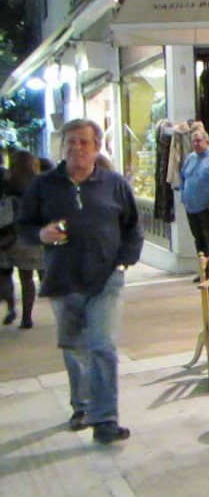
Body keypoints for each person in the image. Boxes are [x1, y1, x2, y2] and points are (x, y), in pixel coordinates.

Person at [17, 119, 143, 444]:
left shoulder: (114, 184)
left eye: (84, 142)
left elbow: (133, 227)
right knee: (75, 348)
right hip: (63, 279)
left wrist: (123, 262)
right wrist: (40, 234)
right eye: (71, 142)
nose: (77, 148)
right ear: (62, 147)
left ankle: (105, 420)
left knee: (102, 345)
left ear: (96, 147)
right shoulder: (44, 185)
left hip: (106, 280)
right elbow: (24, 226)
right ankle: (82, 406)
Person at [0, 151, 44, 328]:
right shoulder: (38, 182)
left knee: (5, 275)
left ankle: (11, 307)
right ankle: (27, 316)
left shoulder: (7, 181)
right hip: (28, 236)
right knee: (27, 278)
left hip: (6, 233)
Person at [180, 123, 209, 264]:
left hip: (208, 208)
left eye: (199, 141)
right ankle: (203, 270)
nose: (195, 144)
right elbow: (183, 177)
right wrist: (184, 197)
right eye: (193, 141)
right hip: (191, 207)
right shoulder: (190, 158)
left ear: (207, 142)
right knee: (198, 239)